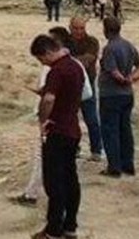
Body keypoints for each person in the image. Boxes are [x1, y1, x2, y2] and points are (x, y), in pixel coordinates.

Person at [13, 27, 92, 208]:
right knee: (64, 172)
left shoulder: (59, 69)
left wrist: (59, 105)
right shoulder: (68, 66)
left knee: (53, 172)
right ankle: (65, 221)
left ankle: (35, 198)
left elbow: (57, 97)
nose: (42, 63)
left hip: (56, 124)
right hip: (66, 123)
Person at [28, 35, 84, 239]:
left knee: (54, 183)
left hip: (57, 131)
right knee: (71, 179)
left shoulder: (57, 71)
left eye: (41, 59)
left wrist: (43, 122)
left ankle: (53, 230)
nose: (43, 63)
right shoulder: (75, 66)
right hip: (73, 130)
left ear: (48, 52)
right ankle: (70, 226)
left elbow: (50, 98)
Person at [98, 16, 139, 178]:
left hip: (111, 94)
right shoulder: (128, 45)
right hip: (127, 95)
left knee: (110, 130)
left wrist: (123, 79)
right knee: (125, 129)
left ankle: (114, 166)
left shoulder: (110, 48)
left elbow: (113, 71)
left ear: (106, 30)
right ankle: (128, 164)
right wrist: (132, 78)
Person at [66, 18, 103, 161]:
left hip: (87, 86)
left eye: (81, 28)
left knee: (92, 119)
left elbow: (88, 59)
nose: (79, 31)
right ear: (70, 27)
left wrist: (69, 60)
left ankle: (96, 150)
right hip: (69, 86)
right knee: (70, 120)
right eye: (76, 28)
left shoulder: (92, 42)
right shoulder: (64, 41)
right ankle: (74, 148)